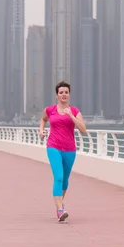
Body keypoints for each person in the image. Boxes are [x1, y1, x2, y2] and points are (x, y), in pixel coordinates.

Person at [39, 81, 87, 222]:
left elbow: (83, 130)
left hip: (70, 149)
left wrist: (71, 116)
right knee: (58, 177)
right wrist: (41, 130)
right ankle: (60, 210)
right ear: (57, 95)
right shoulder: (49, 110)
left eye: (66, 92)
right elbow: (43, 120)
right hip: (53, 147)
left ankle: (59, 204)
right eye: (61, 92)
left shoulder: (75, 111)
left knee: (65, 180)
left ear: (69, 94)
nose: (63, 95)